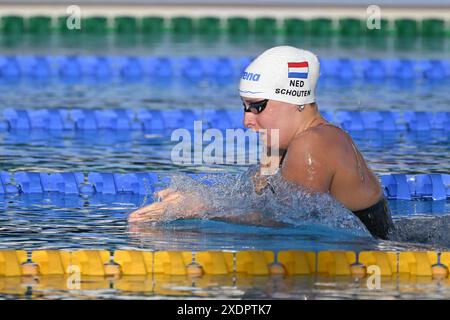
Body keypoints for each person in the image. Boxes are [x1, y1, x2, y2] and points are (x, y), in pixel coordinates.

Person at [128, 46, 395, 240]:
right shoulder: (280, 144)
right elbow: (256, 201)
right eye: (244, 107)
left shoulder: (314, 144)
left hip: (368, 262)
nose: (246, 121)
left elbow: (287, 222)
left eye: (257, 107)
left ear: (296, 100)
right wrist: (192, 198)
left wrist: (200, 209)